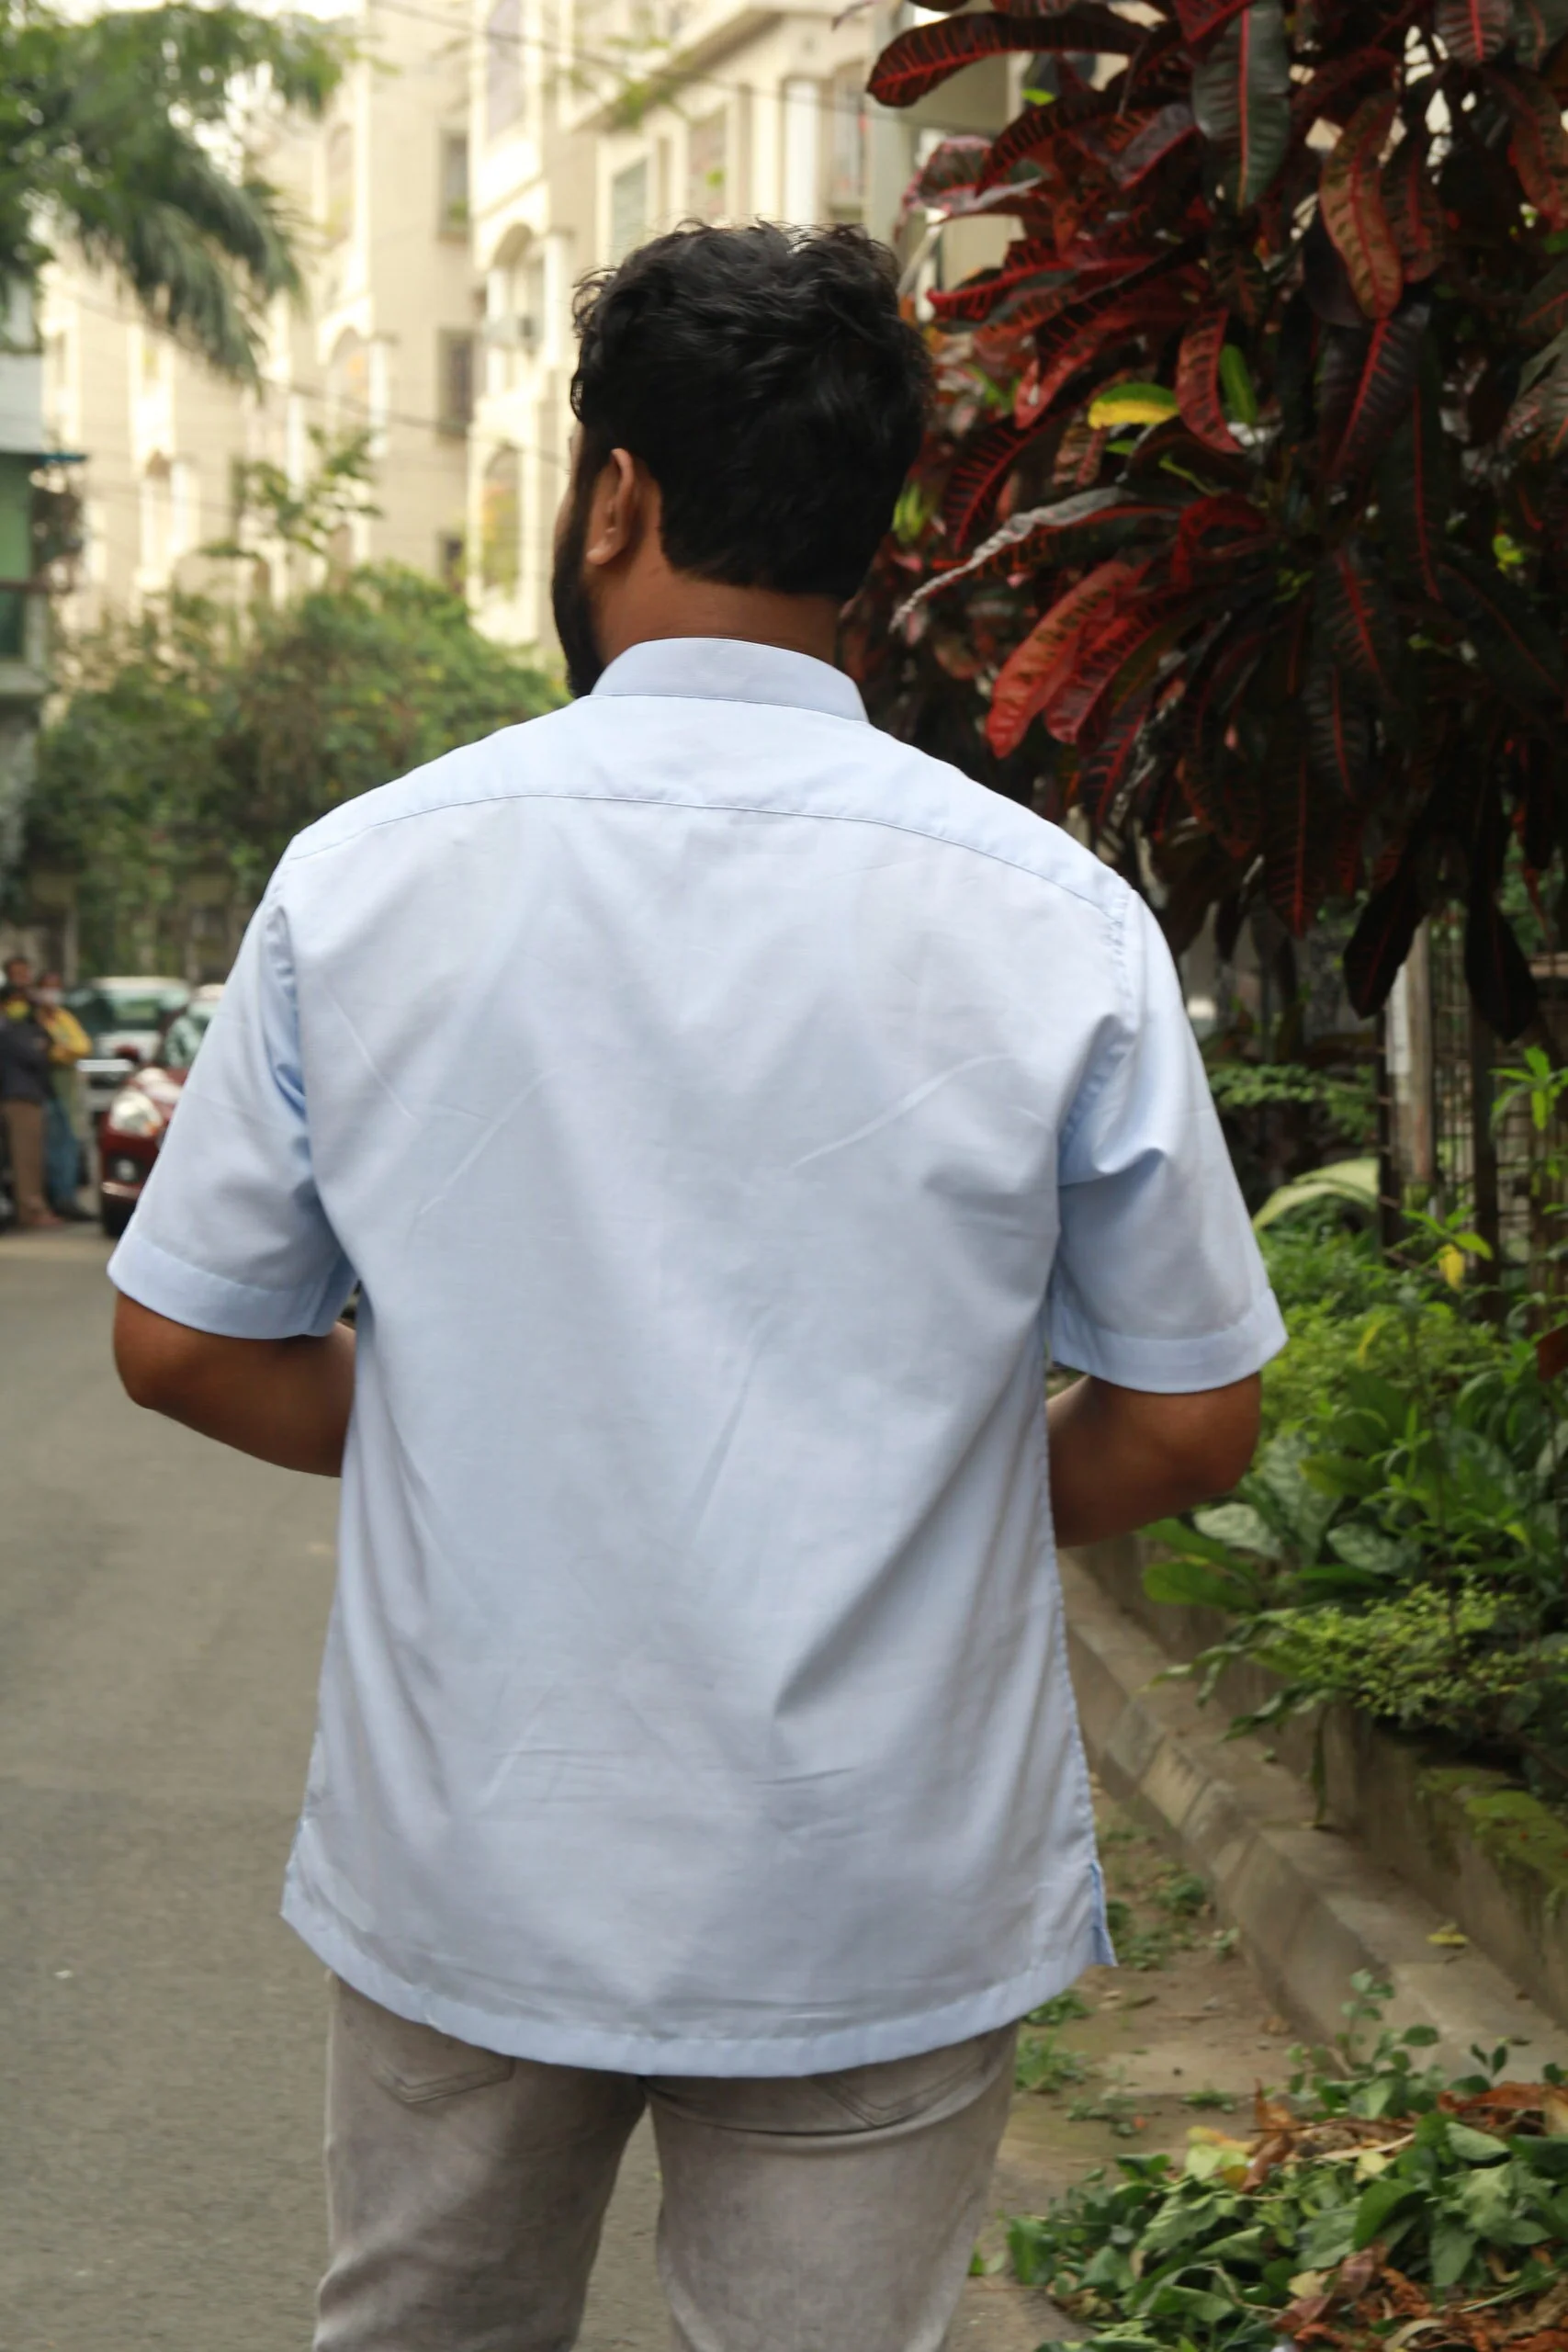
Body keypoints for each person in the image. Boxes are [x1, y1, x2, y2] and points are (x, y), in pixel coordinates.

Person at [109, 223, 1285, 2352]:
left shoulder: (367, 879)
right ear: (869, 533)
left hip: (478, 1839)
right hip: (877, 1872)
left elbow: (183, 1335)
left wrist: (477, 1431)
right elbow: (1191, 1417)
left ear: (614, 495)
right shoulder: (1051, 921)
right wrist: (913, 1493)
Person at [2, 956, 60, 1230]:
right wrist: (40, 1044)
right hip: (19, 1097)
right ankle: (31, 1211)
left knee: (31, 1157)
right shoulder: (9, 1028)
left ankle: (33, 1208)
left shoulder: (27, 1022)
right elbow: (35, 1054)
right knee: (26, 1159)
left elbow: (47, 1042)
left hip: (27, 1094)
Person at [33, 968, 92, 1218]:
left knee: (69, 1143)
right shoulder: (35, 1018)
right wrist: (60, 1050)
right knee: (54, 1147)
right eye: (48, 987)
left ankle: (66, 1197)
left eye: (56, 987)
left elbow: (81, 1046)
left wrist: (58, 1050)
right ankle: (59, 1199)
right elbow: (42, 1051)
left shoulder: (62, 1017)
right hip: (46, 1089)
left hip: (67, 1092)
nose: (52, 993)